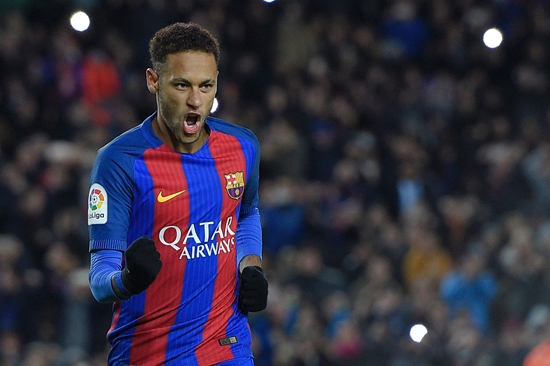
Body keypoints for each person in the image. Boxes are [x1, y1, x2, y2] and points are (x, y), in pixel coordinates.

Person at [87, 22, 268, 366]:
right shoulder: (118, 161)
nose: (196, 101)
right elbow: (99, 280)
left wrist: (251, 265)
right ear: (153, 81)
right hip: (147, 353)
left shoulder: (243, 147)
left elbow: (245, 213)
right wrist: (126, 280)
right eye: (182, 85)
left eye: (206, 86)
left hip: (226, 344)